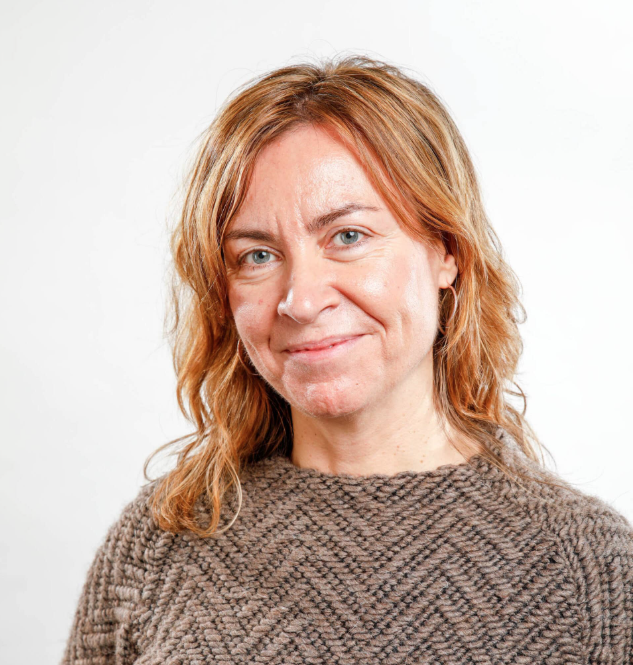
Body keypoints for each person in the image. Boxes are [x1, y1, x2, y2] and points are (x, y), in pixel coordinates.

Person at [61, 55, 633, 664]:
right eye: (257, 255)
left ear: (447, 250)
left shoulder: (590, 570)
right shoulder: (158, 547)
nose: (301, 300)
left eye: (348, 236)